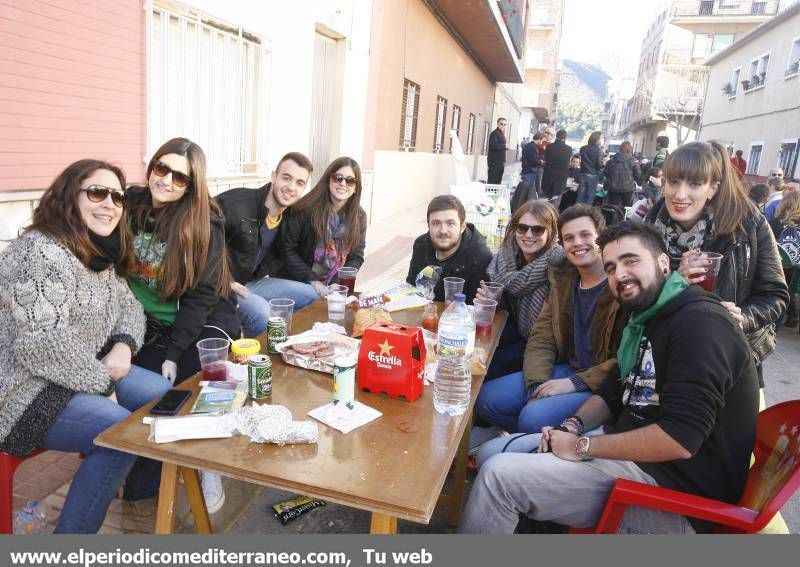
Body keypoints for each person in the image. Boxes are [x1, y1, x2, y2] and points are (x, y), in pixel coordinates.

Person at [461, 221, 759, 534]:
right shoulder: (648, 318)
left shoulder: (700, 324)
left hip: (673, 494)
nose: (620, 275)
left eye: (631, 261)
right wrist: (571, 427)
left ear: (662, 262)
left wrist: (581, 447)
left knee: (498, 477)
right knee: (491, 453)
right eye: (612, 267)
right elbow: (612, 391)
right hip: (630, 458)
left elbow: (680, 438)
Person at [0, 160, 172, 533]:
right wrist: (103, 383)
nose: (109, 203)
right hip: (21, 388)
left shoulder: (98, 252)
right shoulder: (40, 252)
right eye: (97, 192)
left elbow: (129, 306)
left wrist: (124, 346)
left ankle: (126, 484)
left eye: (117, 197)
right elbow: (41, 343)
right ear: (68, 197)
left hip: (72, 371)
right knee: (116, 434)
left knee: (161, 393)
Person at [127, 138, 241, 514]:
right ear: (152, 165)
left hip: (194, 321)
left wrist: (175, 352)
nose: (168, 181)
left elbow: (200, 297)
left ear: (192, 186)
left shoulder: (202, 224)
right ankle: (143, 487)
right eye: (163, 169)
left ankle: (203, 464)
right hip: (141, 323)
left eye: (181, 178)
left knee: (191, 385)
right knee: (151, 395)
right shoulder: (129, 204)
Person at [645, 140, 788, 398]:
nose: (680, 194)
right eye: (673, 182)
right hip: (666, 359)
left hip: (734, 358)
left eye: (695, 184)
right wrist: (675, 279)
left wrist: (743, 317)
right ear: (663, 182)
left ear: (713, 188)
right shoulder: (649, 228)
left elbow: (776, 295)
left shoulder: (748, 226)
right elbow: (635, 302)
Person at [475, 204, 627, 434]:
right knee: (485, 399)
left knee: (532, 416)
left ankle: (549, 438)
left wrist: (573, 384)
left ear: (601, 239)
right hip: (567, 368)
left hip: (603, 384)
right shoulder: (564, 280)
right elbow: (541, 337)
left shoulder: (621, 285)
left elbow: (627, 359)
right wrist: (536, 384)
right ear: (562, 243)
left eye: (585, 235)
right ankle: (542, 437)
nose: (577, 243)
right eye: (569, 238)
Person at [217, 152, 315, 337]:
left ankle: (291, 345)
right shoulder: (236, 203)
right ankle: (252, 356)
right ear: (273, 176)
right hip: (221, 283)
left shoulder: (290, 217)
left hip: (253, 281)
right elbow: (199, 241)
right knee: (262, 313)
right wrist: (223, 280)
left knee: (311, 295)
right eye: (287, 178)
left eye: (299, 183)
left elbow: (289, 253)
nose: (291, 187)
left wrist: (315, 279)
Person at [480, 200, 563, 379]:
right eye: (522, 227)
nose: (528, 234)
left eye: (537, 229)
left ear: (551, 231)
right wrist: (493, 299)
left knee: (491, 365)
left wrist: (500, 292)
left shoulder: (557, 263)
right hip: (517, 328)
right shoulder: (508, 254)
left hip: (543, 343)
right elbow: (508, 304)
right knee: (477, 349)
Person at [278, 156, 367, 299]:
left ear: (356, 188)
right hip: (299, 280)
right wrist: (312, 280)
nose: (343, 183)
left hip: (333, 284)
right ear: (328, 180)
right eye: (338, 178)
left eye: (350, 180)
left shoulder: (359, 216)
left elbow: (356, 256)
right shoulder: (305, 210)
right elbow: (286, 249)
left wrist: (339, 282)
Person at [406, 195, 492, 303]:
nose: (443, 231)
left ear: (462, 226)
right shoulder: (421, 245)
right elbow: (410, 287)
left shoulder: (480, 256)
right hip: (424, 314)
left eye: (450, 223)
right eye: (436, 223)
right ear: (428, 225)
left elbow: (475, 306)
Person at [603, 141, 641, 208]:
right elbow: (638, 175)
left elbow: (605, 173)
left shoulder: (611, 160)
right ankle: (623, 218)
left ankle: (614, 218)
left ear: (620, 148)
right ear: (630, 149)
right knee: (626, 208)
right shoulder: (633, 161)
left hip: (613, 188)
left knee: (613, 208)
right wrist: (640, 183)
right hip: (628, 189)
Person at [541, 129, 573, 199]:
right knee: (556, 199)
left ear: (556, 136)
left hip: (548, 175)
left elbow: (546, 158)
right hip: (561, 177)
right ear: (565, 138)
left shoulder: (549, 147)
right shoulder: (569, 149)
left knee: (544, 198)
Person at [577, 131, 604, 205]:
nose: (602, 140)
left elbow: (581, 160)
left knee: (580, 196)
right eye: (602, 138)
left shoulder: (583, 148)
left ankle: (576, 213)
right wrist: (601, 176)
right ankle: (586, 214)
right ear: (598, 139)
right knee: (589, 198)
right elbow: (600, 164)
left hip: (583, 173)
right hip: (593, 175)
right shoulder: (599, 150)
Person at [487, 117, 509, 184]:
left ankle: (495, 194)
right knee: (492, 181)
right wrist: (505, 146)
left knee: (498, 182)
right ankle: (490, 194)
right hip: (494, 162)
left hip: (500, 162)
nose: (503, 126)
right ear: (497, 124)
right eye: (501, 124)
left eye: (505, 124)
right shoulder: (494, 133)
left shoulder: (501, 133)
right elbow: (493, 145)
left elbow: (500, 147)